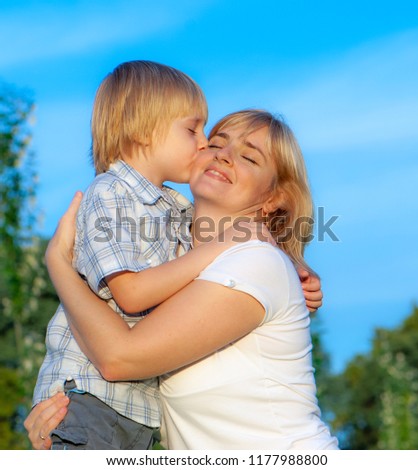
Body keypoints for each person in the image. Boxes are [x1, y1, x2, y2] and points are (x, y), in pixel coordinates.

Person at [27, 109, 337, 449]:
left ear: (274, 199)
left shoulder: (256, 261)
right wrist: (63, 413)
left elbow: (119, 357)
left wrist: (58, 263)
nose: (225, 155)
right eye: (215, 143)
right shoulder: (168, 264)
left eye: (249, 156)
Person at [31, 60, 255, 450]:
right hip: (89, 400)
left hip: (135, 412)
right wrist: (219, 248)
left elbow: (225, 254)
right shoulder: (110, 194)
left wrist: (295, 270)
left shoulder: (174, 207)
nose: (204, 142)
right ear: (142, 128)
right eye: (192, 129)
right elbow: (131, 294)